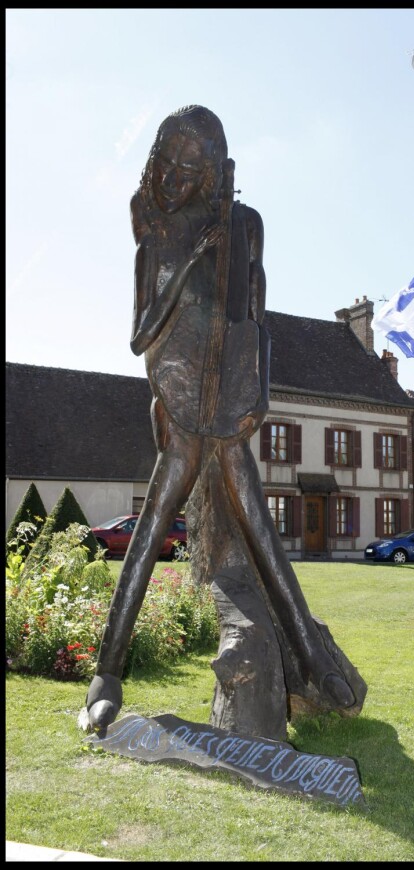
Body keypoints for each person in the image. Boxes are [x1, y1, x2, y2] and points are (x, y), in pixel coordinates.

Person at [85, 105, 355, 730]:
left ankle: (313, 660)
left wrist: (255, 391)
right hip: (181, 399)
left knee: (261, 524)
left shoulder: (246, 225)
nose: (178, 176)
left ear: (212, 172)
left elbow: (255, 313)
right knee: (152, 528)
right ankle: (107, 672)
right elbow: (141, 334)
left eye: (192, 166)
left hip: (229, 401)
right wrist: (186, 265)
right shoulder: (157, 232)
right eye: (170, 162)